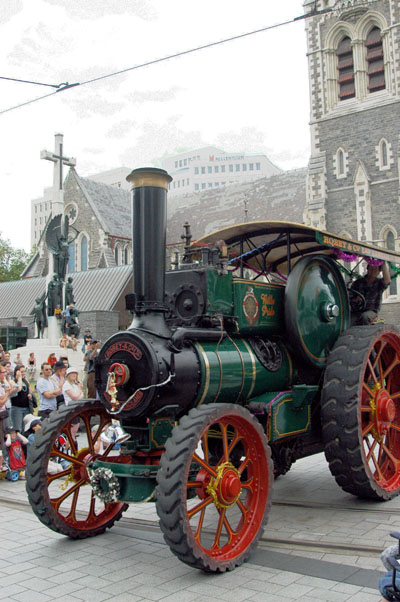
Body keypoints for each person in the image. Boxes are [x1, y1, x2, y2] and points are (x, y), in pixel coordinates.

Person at [10, 366, 33, 433]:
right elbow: (19, 389)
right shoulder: (13, 381)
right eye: (21, 372)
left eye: (24, 371)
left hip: (26, 407)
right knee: (18, 428)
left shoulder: (25, 381)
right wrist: (19, 378)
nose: (23, 373)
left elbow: (29, 390)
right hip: (17, 408)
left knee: (25, 427)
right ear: (17, 372)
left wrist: (30, 394)